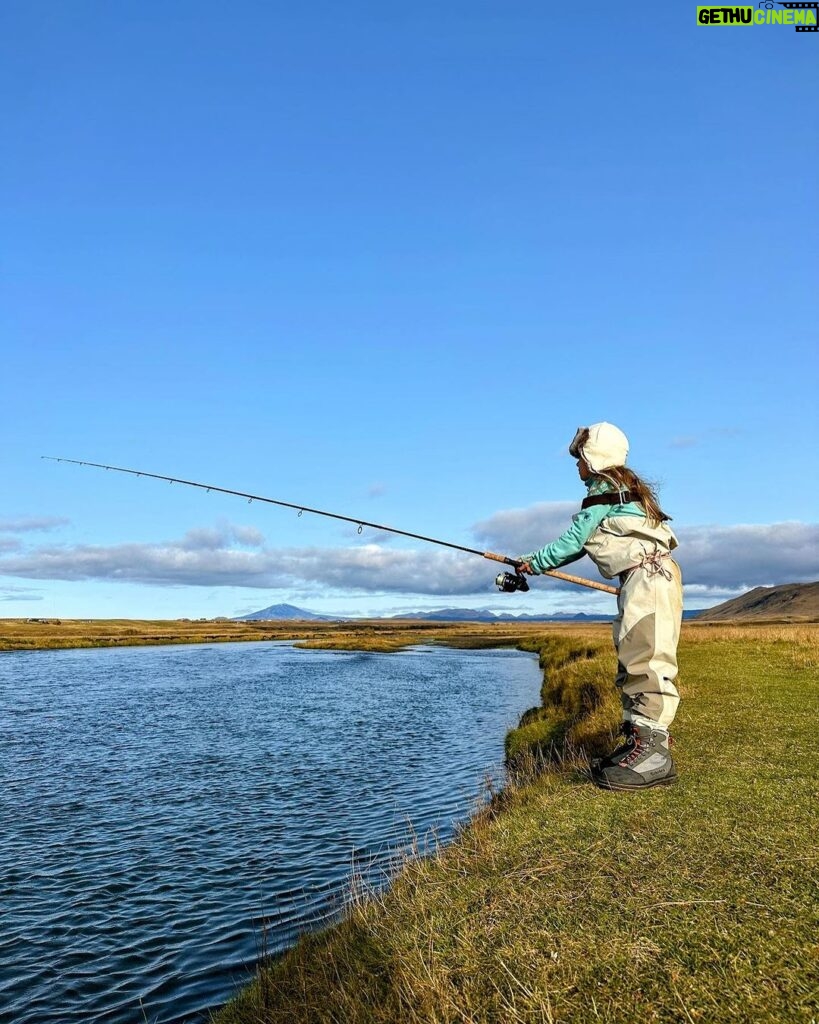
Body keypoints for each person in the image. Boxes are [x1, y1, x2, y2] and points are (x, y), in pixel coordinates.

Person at [517, 422, 683, 791]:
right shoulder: (626, 491)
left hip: (646, 579)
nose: (576, 466)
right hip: (649, 577)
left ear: (594, 460)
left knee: (646, 660)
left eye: (580, 458)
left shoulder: (603, 493)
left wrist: (533, 562)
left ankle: (654, 755)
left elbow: (573, 542)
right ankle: (638, 744)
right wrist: (535, 560)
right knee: (635, 656)